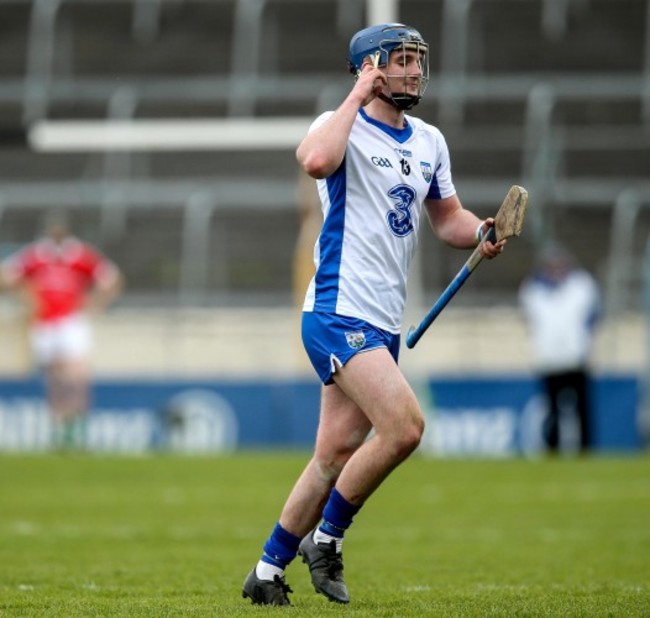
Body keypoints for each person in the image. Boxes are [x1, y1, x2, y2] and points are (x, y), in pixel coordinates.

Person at [242, 23, 506, 606]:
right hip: (338, 309)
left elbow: (448, 219)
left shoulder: (430, 141)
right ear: (372, 67)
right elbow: (314, 161)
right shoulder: (338, 124)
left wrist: (481, 232)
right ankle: (327, 539)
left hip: (382, 321)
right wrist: (358, 94)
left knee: (332, 456)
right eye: (403, 61)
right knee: (406, 427)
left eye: (418, 61)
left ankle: (265, 573)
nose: (415, 71)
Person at [0, 213, 123, 449]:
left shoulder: (80, 256)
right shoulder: (36, 255)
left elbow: (111, 279)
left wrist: (94, 303)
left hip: (70, 321)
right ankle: (60, 429)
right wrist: (27, 297)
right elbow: (7, 276)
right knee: (55, 379)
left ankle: (78, 427)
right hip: (45, 323)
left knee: (77, 376)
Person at [519, 242, 601, 454]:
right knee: (552, 409)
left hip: (576, 358)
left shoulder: (582, 285)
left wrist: (584, 341)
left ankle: (585, 450)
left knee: (582, 409)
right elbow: (530, 320)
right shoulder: (533, 291)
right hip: (549, 360)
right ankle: (552, 449)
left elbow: (594, 317)